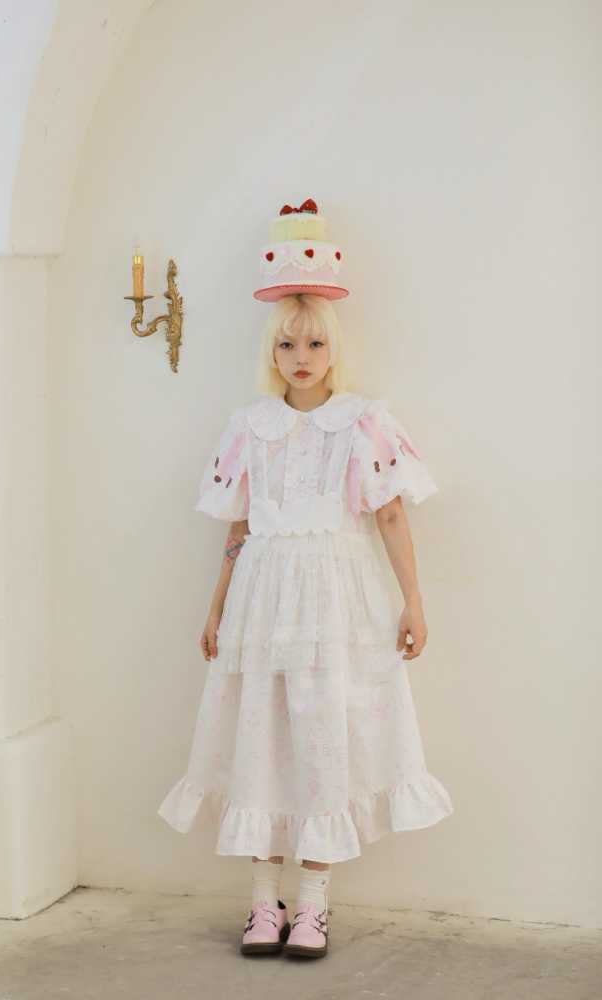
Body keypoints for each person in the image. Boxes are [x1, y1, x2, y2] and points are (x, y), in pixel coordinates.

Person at [158, 202, 453, 960]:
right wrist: (215, 608)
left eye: (315, 343)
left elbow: (390, 515)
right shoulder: (250, 427)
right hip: (262, 601)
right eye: (287, 344)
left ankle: (315, 902)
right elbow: (237, 527)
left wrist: (414, 601)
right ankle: (264, 899)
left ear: (333, 349)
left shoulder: (361, 423)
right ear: (272, 351)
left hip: (337, 601)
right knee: (260, 733)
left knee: (327, 736)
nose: (301, 356)